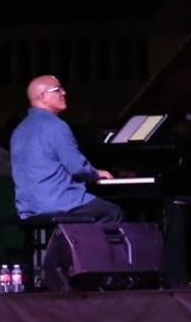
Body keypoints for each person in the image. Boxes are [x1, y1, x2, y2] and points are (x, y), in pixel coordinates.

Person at [10, 75, 119, 222]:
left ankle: (71, 243)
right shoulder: (56, 126)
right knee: (113, 212)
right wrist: (96, 173)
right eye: (57, 90)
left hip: (28, 207)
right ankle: (83, 245)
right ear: (43, 96)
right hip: (59, 203)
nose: (64, 92)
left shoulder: (19, 130)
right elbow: (77, 168)